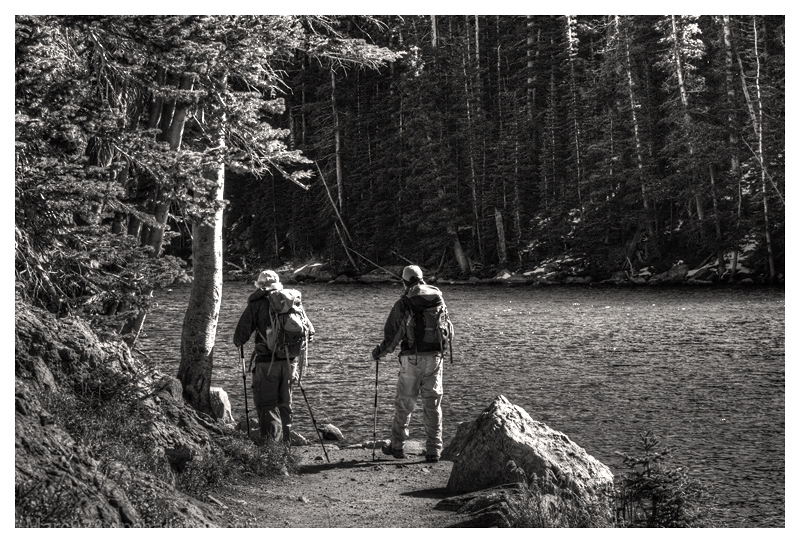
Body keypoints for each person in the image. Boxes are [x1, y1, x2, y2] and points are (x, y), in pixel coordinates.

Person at [371, 265, 453, 463]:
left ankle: (398, 447)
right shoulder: (437, 297)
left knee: (405, 403)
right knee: (433, 405)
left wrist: (379, 353)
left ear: (405, 281)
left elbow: (393, 335)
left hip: (412, 359)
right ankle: (434, 449)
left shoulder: (405, 301)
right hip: (435, 358)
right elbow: (449, 329)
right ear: (422, 278)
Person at [233, 270, 313, 444]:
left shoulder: (257, 304)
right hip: (290, 362)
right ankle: (285, 448)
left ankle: (271, 451)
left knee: (267, 406)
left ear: (260, 286)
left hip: (266, 364)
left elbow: (240, 337)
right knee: (285, 404)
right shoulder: (292, 301)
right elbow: (310, 333)